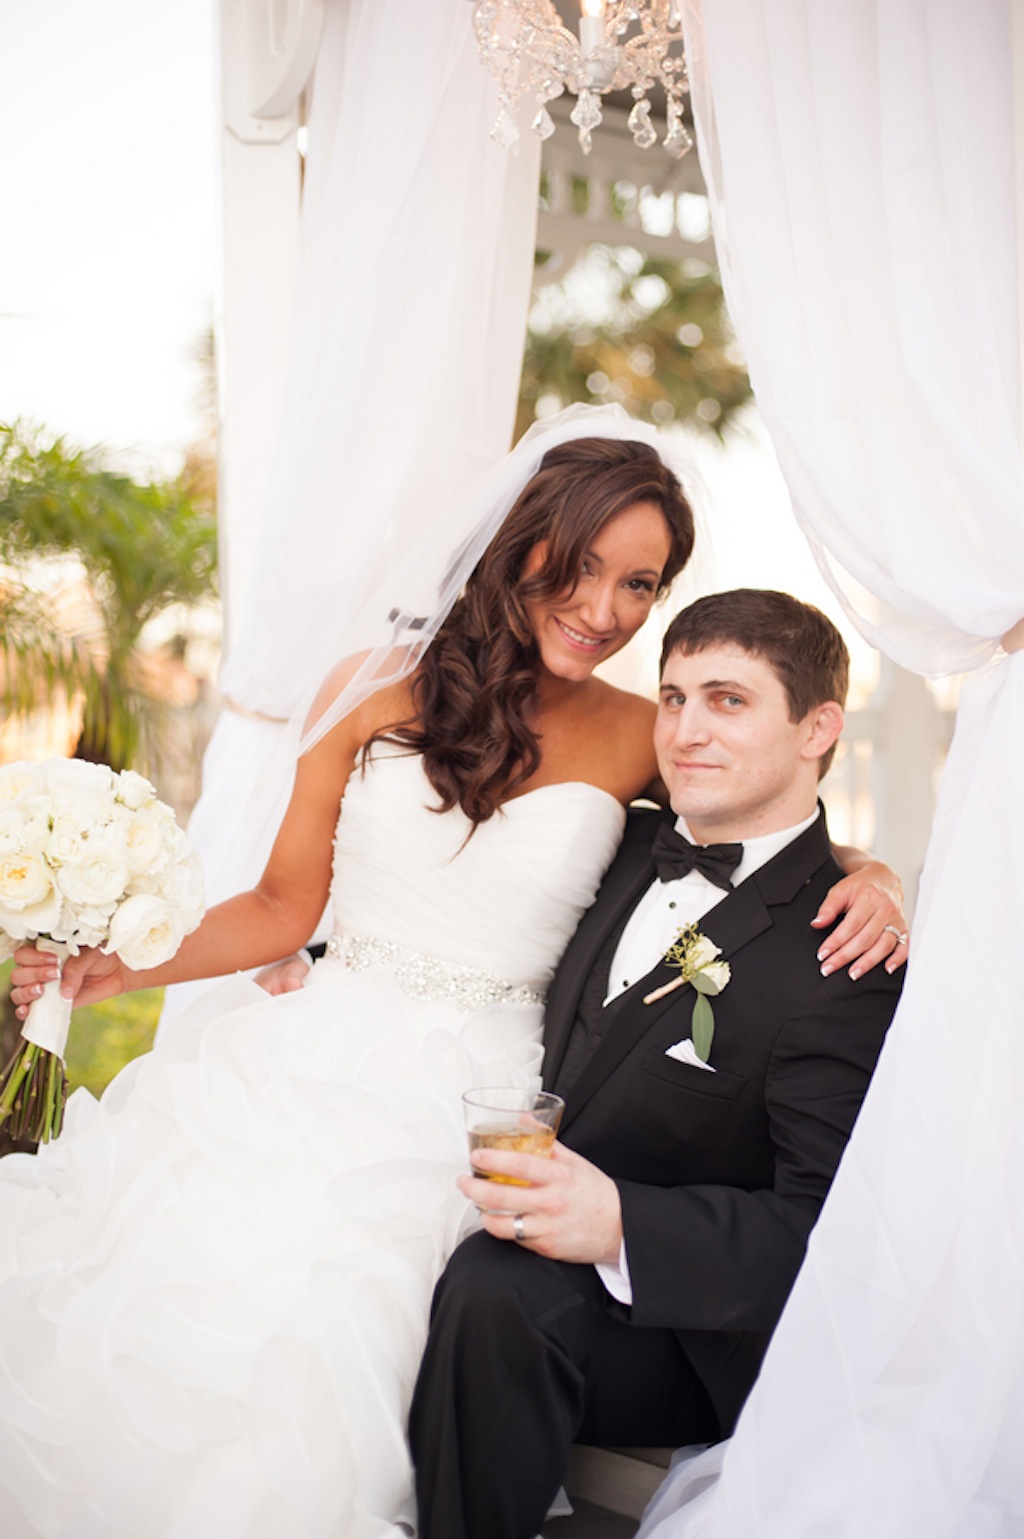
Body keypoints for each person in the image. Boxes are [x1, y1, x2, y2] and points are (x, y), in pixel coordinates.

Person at [1, 416, 904, 1539]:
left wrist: (876, 875)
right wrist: (111, 970)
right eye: (581, 568)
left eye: (639, 583)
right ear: (517, 543)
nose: (607, 608)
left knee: (351, 1316)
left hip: (485, 1090)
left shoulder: (641, 732)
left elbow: (755, 833)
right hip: (313, 1048)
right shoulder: (371, 689)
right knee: (184, 1302)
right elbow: (283, 908)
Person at [408, 589, 905, 1539]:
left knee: (493, 1287)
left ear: (819, 727)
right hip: (512, 1230)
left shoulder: (846, 955)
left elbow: (828, 1233)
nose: (684, 730)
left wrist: (622, 1224)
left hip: (681, 1331)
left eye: (728, 700)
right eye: (673, 698)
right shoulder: (617, 841)